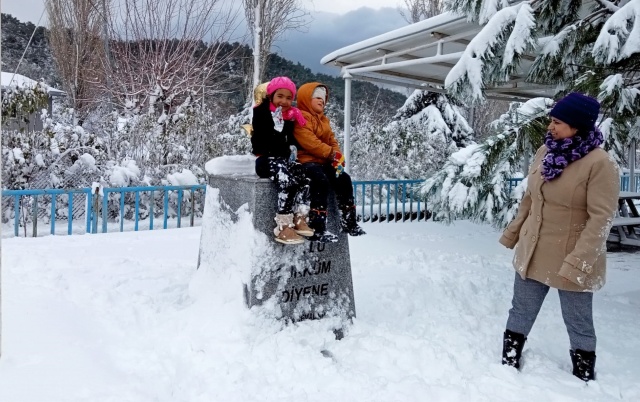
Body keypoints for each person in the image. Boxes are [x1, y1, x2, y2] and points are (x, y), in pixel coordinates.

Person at [498, 92, 620, 381]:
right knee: (521, 309)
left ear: (577, 126)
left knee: (578, 320)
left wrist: (579, 261)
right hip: (534, 248)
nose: (550, 127)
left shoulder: (600, 164)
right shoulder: (546, 152)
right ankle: (508, 361)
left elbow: (600, 219)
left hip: (572, 254)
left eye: (557, 122)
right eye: (551, 120)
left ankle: (583, 375)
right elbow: (531, 198)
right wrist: (513, 232)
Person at [293, 82, 366, 243]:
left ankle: (349, 221)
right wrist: (331, 153)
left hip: (324, 162)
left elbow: (332, 140)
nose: (322, 101)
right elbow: (309, 142)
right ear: (306, 98)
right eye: (317, 97)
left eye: (324, 98)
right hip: (306, 162)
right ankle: (317, 226)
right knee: (320, 180)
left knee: (344, 178)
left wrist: (337, 156)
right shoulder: (300, 117)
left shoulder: (324, 120)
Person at [251, 76, 314, 245]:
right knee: (286, 178)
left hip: (283, 160)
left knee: (304, 176)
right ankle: (283, 226)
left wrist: (293, 145)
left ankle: (300, 216)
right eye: (280, 96)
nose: (284, 101)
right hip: (265, 160)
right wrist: (280, 120)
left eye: (288, 98)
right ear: (271, 95)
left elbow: (291, 141)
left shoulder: (288, 115)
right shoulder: (261, 112)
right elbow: (266, 141)